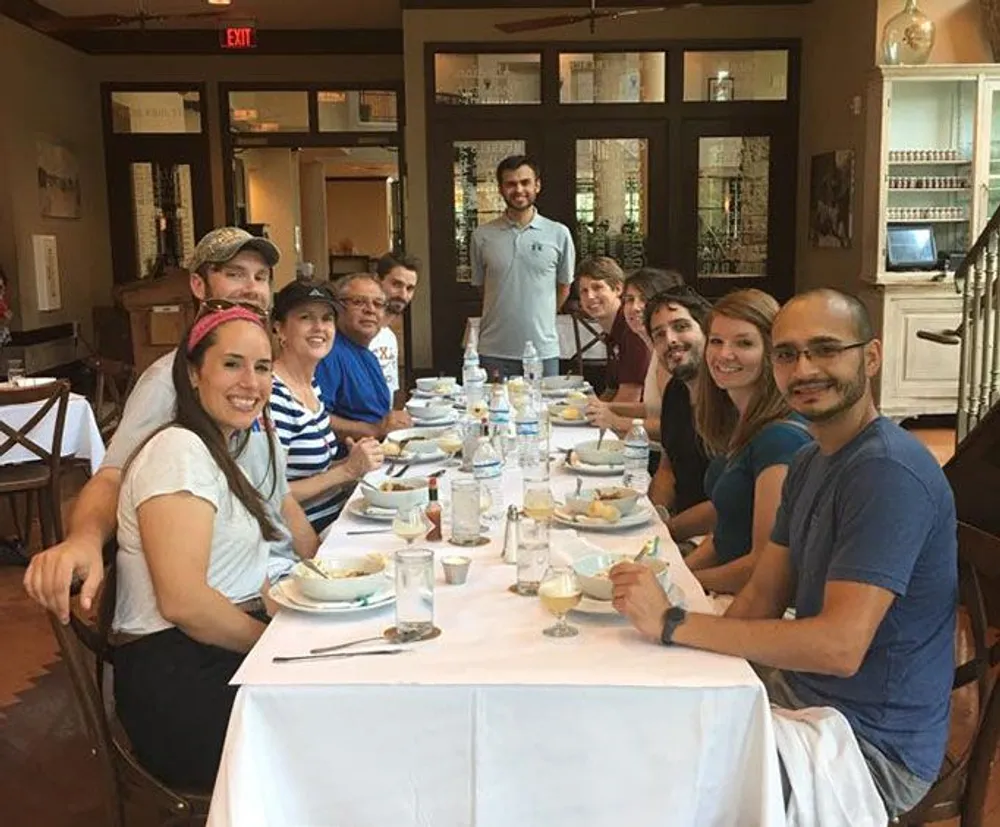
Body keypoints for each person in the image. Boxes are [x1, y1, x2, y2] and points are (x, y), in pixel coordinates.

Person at [610, 288, 957, 818]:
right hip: (798, 694)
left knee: (646, 776)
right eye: (788, 354)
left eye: (825, 349)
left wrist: (674, 623)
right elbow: (762, 598)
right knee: (629, 714)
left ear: (871, 356)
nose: (805, 369)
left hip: (868, 747)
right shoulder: (813, 460)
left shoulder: (887, 472)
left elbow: (838, 646)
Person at [23, 227, 318, 624]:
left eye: (261, 277)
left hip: (272, 581)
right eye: (235, 274)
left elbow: (275, 495)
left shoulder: (255, 380)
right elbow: (113, 477)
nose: (252, 288)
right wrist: (84, 539)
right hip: (223, 607)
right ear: (198, 284)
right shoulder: (171, 380)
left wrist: (323, 563)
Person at [112, 304, 279, 790]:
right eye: (232, 364)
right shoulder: (177, 453)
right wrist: (273, 646)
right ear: (192, 373)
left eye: (263, 367)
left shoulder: (224, 448)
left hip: (209, 652)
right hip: (182, 682)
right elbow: (184, 602)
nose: (251, 382)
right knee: (344, 717)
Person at [685, 289, 813, 596]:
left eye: (743, 343)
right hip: (725, 587)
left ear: (773, 354)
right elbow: (724, 536)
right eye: (716, 341)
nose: (724, 354)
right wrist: (675, 571)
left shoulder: (780, 439)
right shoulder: (741, 421)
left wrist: (683, 583)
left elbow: (764, 566)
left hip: (756, 605)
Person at [270, 280, 384, 535]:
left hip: (340, 519)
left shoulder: (310, 387)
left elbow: (315, 473)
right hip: (304, 540)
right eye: (305, 317)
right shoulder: (273, 396)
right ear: (280, 329)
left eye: (327, 318)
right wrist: (346, 470)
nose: (319, 327)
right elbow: (271, 497)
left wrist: (356, 462)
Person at [470, 155, 575, 379]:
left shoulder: (559, 233)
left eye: (525, 182)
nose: (518, 189)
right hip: (493, 350)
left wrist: (540, 315)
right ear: (500, 189)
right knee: (495, 413)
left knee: (545, 412)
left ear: (537, 185)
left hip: (542, 351)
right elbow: (483, 287)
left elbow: (564, 286)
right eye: (510, 184)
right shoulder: (482, 236)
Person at [644, 288, 716, 544]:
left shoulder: (729, 395)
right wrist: (652, 519)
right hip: (679, 530)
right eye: (659, 335)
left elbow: (731, 504)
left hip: (714, 539)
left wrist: (666, 532)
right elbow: (667, 468)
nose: (670, 340)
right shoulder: (676, 390)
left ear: (706, 330)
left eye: (681, 326)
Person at [585, 267, 685, 438]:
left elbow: (676, 427)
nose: (635, 307)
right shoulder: (655, 350)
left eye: (644, 299)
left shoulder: (674, 356)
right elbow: (652, 408)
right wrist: (605, 407)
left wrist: (615, 421)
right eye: (629, 299)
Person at [314, 273, 412, 441]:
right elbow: (316, 419)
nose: (370, 310)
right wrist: (372, 430)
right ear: (338, 308)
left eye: (378, 304)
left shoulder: (367, 355)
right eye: (358, 302)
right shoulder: (328, 353)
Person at [575, 256, 651, 405]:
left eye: (597, 287)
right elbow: (611, 391)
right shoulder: (614, 331)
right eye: (584, 291)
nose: (589, 296)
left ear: (618, 289)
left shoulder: (632, 329)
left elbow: (629, 398)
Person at [369, 252, 420, 399]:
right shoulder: (357, 336)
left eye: (409, 288)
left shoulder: (389, 338)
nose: (403, 295)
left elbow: (389, 395)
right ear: (377, 281)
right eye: (397, 284)